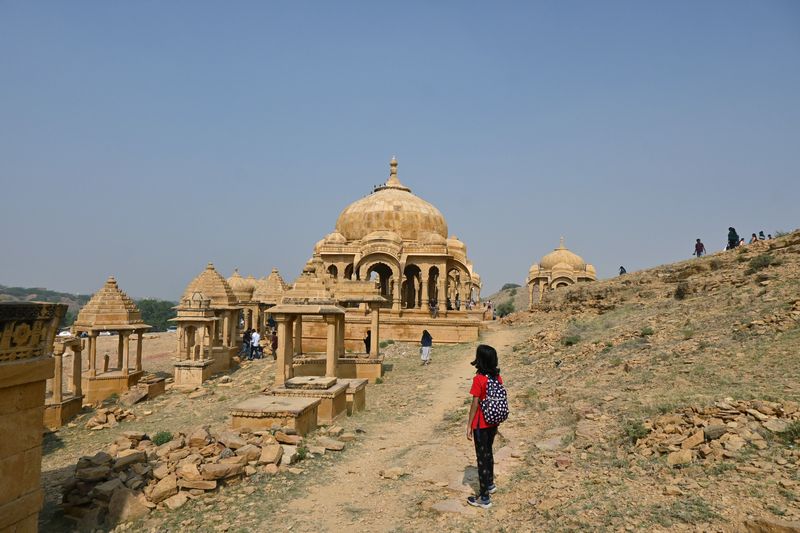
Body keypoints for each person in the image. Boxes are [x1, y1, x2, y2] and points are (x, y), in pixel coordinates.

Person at [465, 344, 503, 509]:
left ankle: (484, 498)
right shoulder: (496, 378)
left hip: (481, 424)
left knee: (481, 459)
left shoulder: (479, 379)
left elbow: (474, 403)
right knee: (489, 453)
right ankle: (490, 484)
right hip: (493, 422)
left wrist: (469, 425)